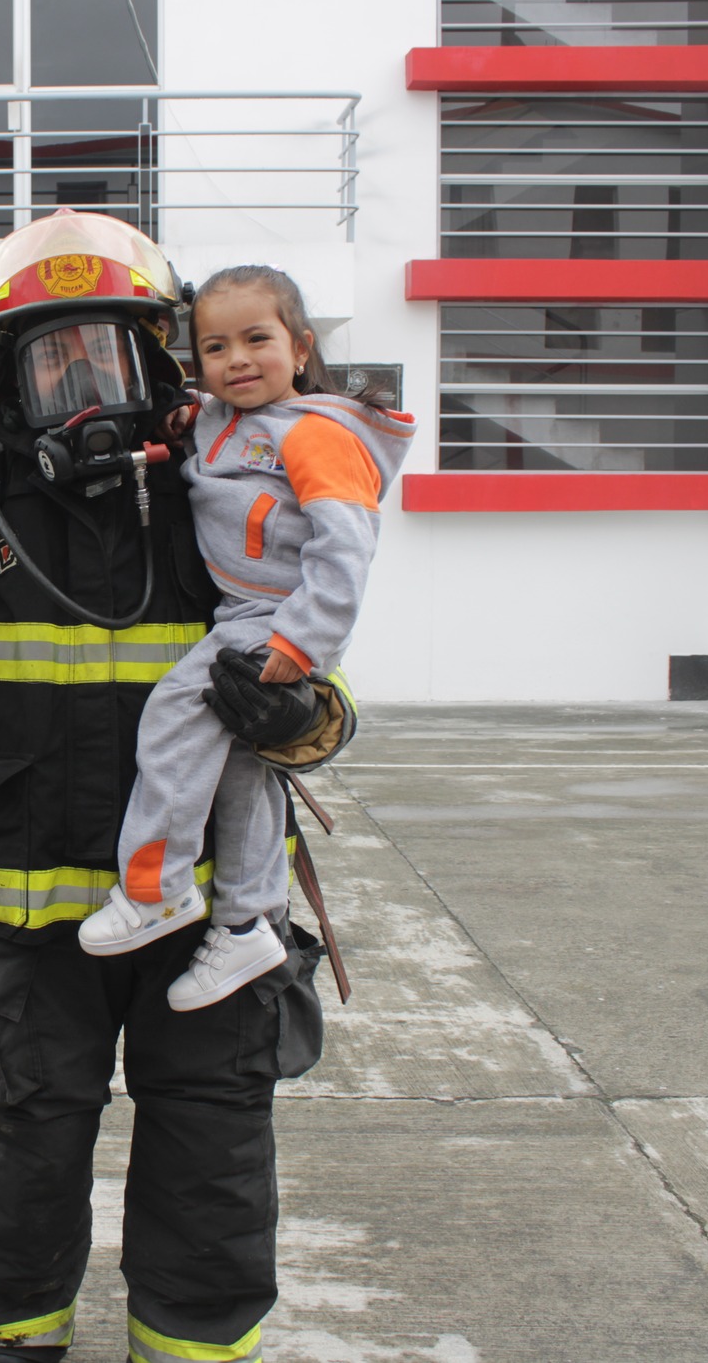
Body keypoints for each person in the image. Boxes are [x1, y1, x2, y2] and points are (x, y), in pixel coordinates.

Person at [0, 212, 331, 1363]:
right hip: (24, 924)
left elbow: (314, 682)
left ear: (158, 363)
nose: (82, 387)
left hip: (205, 917)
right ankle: (16, 1346)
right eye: (50, 361)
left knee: (213, 1158)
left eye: (108, 354)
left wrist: (298, 716)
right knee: (29, 1156)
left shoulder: (223, 492)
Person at [79, 265, 415, 1010]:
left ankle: (155, 889)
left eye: (256, 340)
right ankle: (247, 924)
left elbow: (345, 550)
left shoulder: (318, 435)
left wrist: (300, 647)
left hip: (275, 616)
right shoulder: (225, 418)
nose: (236, 360)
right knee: (240, 767)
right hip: (248, 611)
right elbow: (205, 424)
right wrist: (180, 416)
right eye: (215, 347)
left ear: (300, 349)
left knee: (172, 719)